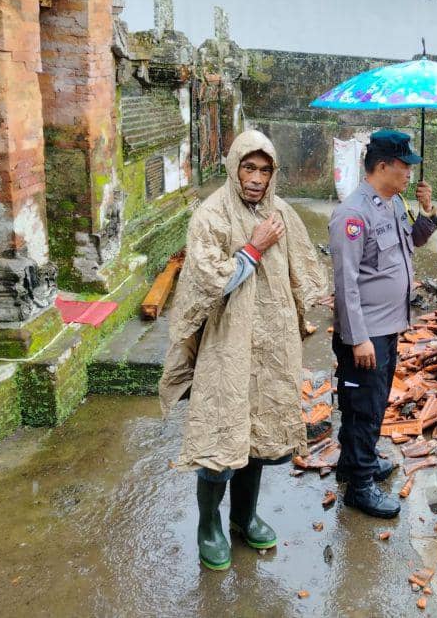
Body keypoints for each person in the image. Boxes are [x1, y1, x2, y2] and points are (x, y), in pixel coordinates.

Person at [159, 130, 327, 571]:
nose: (256, 178)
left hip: (270, 345)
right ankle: (208, 526)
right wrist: (253, 247)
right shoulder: (211, 216)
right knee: (222, 435)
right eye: (248, 168)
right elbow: (208, 282)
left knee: (258, 437)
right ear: (234, 167)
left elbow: (301, 272)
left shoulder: (281, 213)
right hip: (226, 347)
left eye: (264, 169)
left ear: (274, 173)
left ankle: (243, 517)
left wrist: (302, 316)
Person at [329, 130, 437, 518]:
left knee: (373, 403)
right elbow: (345, 283)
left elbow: (411, 244)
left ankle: (355, 463)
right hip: (366, 333)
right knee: (363, 407)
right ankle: (359, 486)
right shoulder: (353, 215)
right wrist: (358, 339)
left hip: (388, 325)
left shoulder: (392, 205)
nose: (410, 173)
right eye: (404, 166)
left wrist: (427, 212)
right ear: (381, 166)